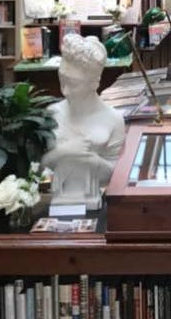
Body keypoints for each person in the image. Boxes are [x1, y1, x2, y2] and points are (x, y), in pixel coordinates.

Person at [41, 34, 126, 209]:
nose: (64, 90)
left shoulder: (113, 119)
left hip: (94, 201)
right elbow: (35, 168)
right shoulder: (51, 114)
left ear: (95, 83)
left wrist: (91, 160)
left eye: (73, 83)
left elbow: (116, 175)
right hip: (59, 200)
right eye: (62, 79)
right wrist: (64, 151)